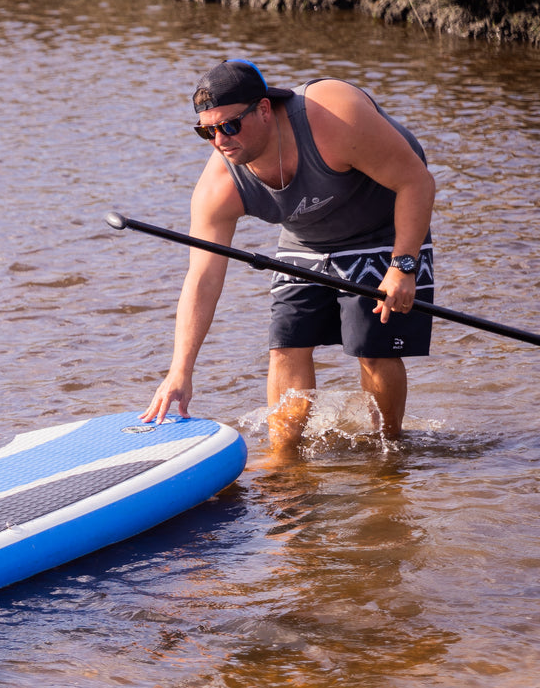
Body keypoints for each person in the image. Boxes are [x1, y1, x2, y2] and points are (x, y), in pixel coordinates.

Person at [140, 58, 437, 448]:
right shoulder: (219, 187)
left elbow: (417, 182)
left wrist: (403, 267)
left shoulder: (333, 116)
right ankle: (285, 462)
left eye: (229, 126)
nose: (220, 141)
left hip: (383, 226)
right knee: (286, 346)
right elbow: (202, 277)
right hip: (306, 239)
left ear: (264, 109)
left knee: (372, 350)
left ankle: (385, 455)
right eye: (207, 132)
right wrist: (180, 371)